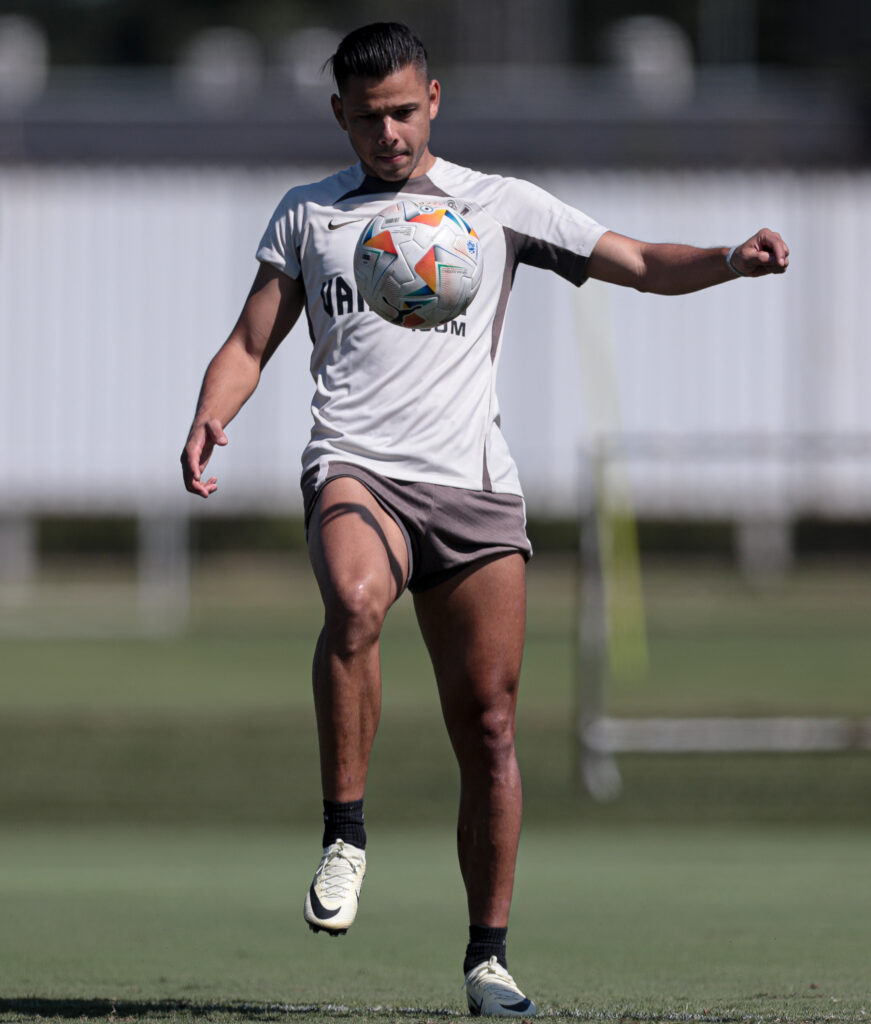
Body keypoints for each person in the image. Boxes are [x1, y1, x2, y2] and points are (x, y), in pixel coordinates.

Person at [181, 21, 789, 1016]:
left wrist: (729, 256)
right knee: (354, 599)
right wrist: (212, 411)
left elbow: (634, 258)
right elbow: (250, 341)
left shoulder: (500, 206)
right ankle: (345, 834)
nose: (390, 132)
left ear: (435, 100)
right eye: (369, 117)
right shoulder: (309, 216)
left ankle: (487, 957)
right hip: (357, 469)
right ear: (341, 115)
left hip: (471, 488)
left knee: (493, 728)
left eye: (406, 111)